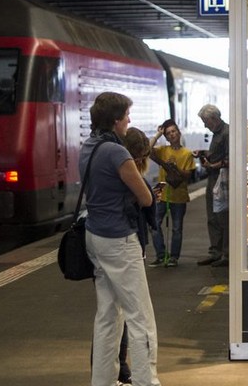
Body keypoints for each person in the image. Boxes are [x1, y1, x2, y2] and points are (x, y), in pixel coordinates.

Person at [81, 92, 161, 386]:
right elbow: (145, 197)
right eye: (127, 115)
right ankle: (145, 381)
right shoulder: (117, 153)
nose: (129, 120)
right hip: (119, 241)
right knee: (140, 320)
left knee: (106, 317)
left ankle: (102, 381)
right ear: (116, 120)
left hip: (95, 238)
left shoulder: (88, 146)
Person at [114, 127, 161, 385]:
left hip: (108, 243)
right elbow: (146, 203)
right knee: (135, 315)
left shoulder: (111, 165)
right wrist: (152, 198)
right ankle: (136, 374)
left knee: (112, 314)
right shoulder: (130, 171)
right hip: (127, 244)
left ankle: (116, 370)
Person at [148, 119, 195, 268]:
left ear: (179, 133)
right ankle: (161, 255)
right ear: (166, 137)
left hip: (179, 194)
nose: (172, 134)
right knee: (154, 224)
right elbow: (147, 150)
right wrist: (157, 135)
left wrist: (174, 169)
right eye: (168, 133)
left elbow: (187, 175)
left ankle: (174, 257)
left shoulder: (187, 153)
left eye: (174, 131)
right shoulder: (163, 150)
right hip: (162, 193)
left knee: (176, 228)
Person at [197, 104, 229, 267]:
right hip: (214, 180)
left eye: (205, 121)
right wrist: (204, 154)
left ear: (214, 119)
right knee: (212, 217)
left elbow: (231, 160)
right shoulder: (218, 133)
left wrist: (213, 165)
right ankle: (215, 252)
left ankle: (226, 253)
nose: (205, 125)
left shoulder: (227, 133)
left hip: (223, 182)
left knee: (223, 217)